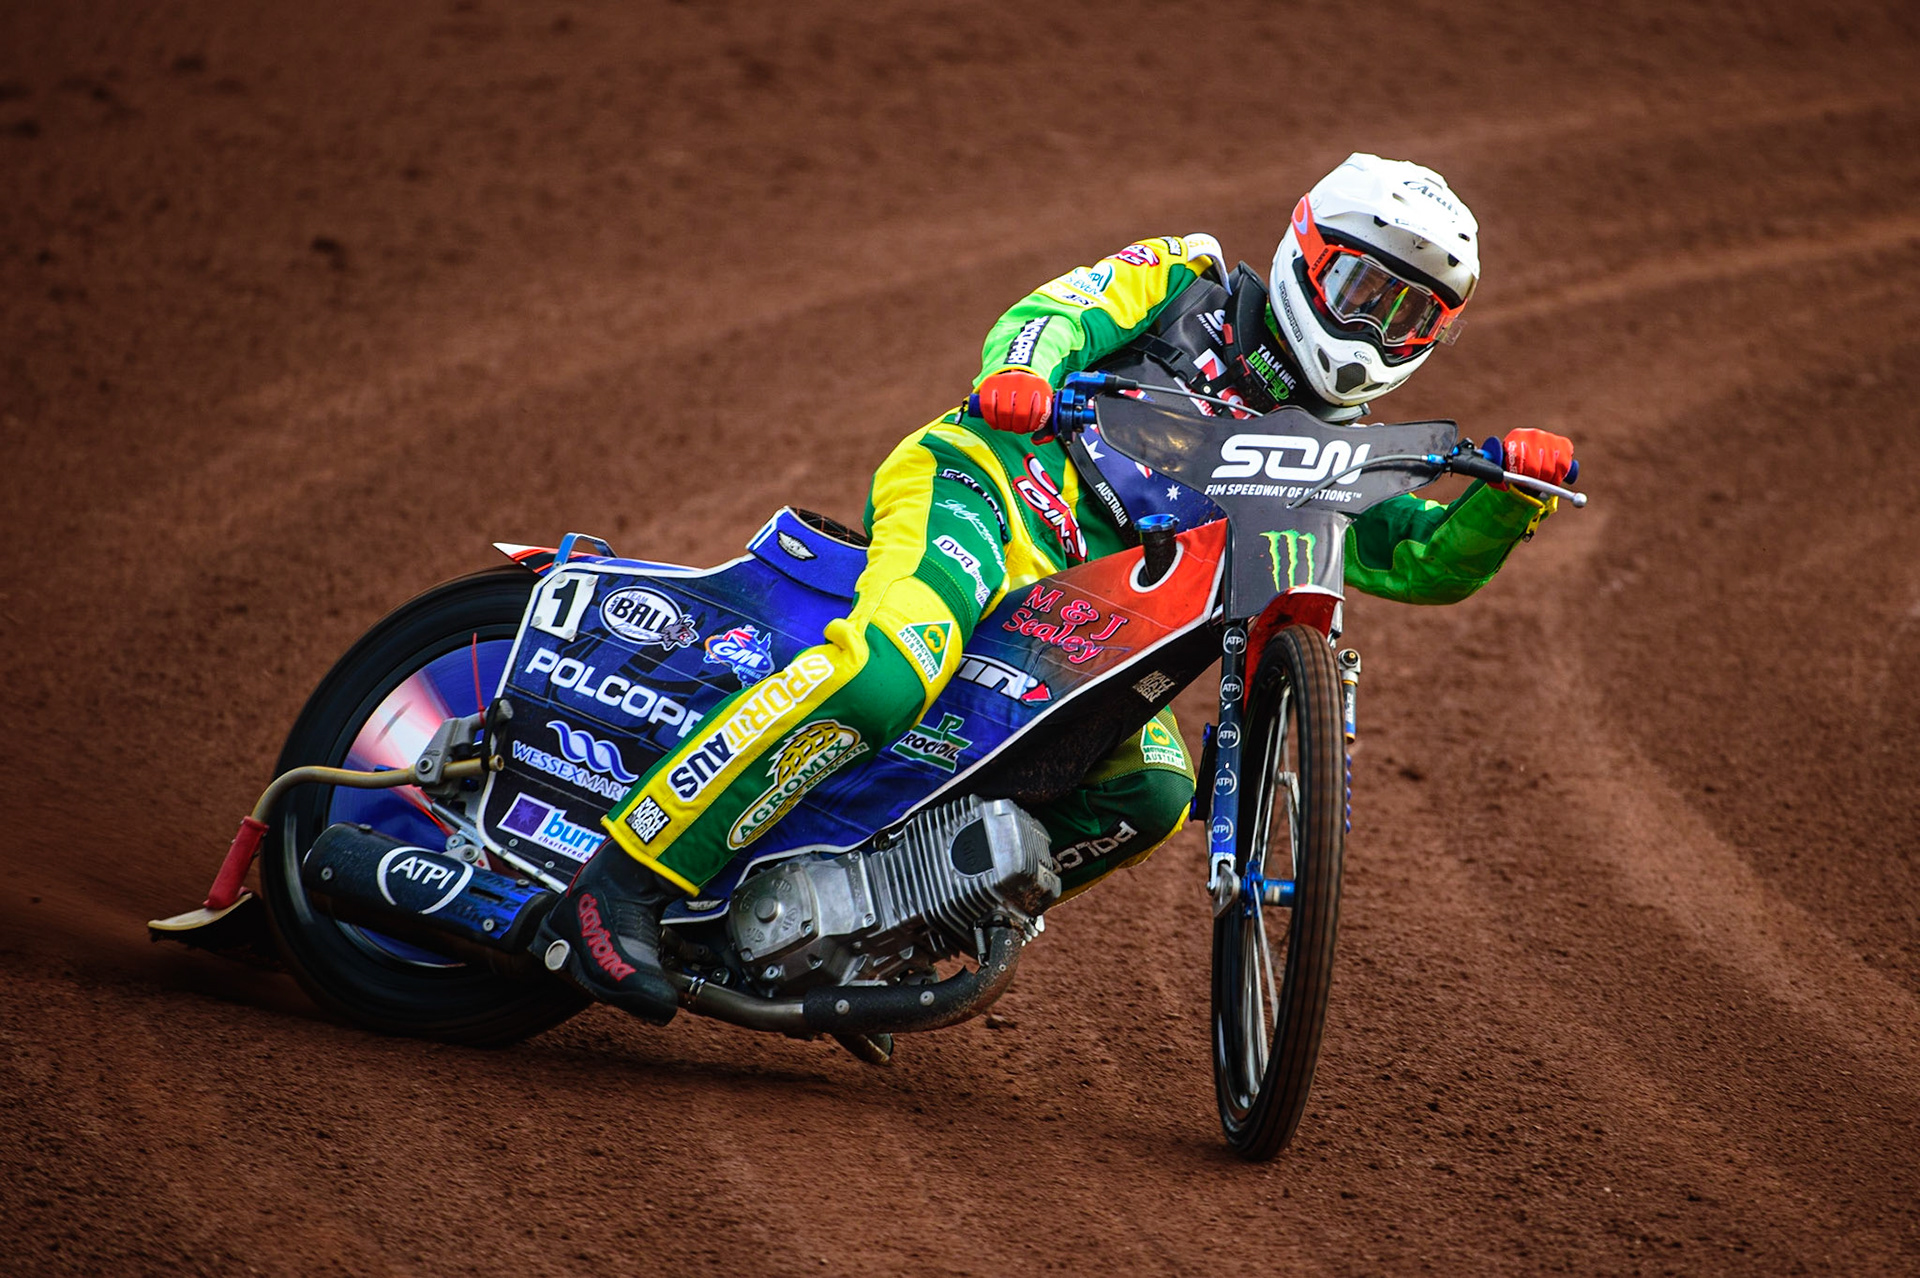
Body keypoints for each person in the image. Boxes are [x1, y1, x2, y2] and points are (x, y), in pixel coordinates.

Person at [535, 152, 1576, 1025]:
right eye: (1362, 291)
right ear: (1306, 254)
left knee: (1154, 791)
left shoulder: (1336, 453)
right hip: (991, 492)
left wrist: (1513, 497)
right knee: (891, 671)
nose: (1374, 329)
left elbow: (1417, 559)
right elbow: (1061, 310)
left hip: (1091, 617)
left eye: (1408, 315)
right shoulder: (1194, 278)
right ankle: (621, 882)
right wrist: (1022, 370)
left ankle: (887, 927)